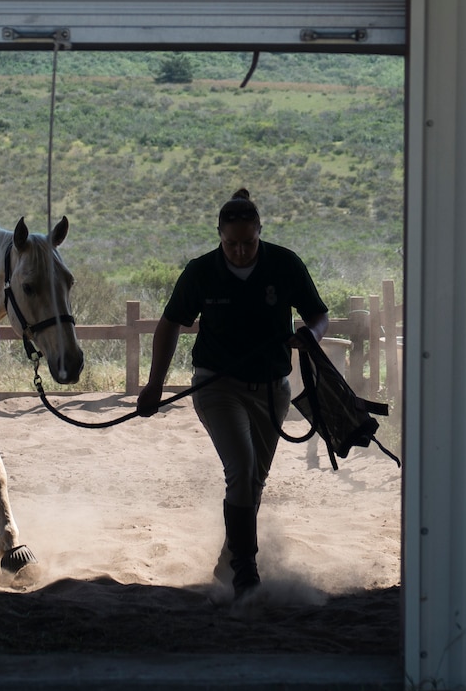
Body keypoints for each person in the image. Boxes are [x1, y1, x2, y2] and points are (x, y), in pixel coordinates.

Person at [137, 187, 328, 599]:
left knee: (253, 482)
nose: (240, 251)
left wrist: (309, 335)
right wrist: (154, 385)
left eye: (249, 243)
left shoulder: (284, 264)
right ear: (219, 236)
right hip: (216, 384)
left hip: (273, 389)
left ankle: (229, 560)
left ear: (260, 232)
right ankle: (246, 574)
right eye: (232, 244)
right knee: (241, 468)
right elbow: (170, 324)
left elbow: (318, 314)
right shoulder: (201, 271)